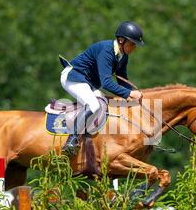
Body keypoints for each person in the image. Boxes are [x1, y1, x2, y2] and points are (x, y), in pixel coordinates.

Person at [59, 21, 144, 155]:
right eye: (132, 44)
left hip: (88, 83)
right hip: (73, 77)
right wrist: (129, 93)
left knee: (105, 105)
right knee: (94, 105)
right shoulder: (107, 51)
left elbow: (123, 80)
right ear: (121, 40)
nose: (134, 47)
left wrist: (133, 95)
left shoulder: (123, 57)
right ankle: (71, 140)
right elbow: (106, 83)